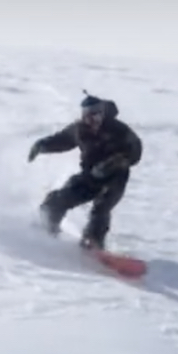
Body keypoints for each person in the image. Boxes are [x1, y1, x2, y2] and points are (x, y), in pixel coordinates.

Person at [27, 95, 143, 251]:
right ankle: (47, 227)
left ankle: (93, 241)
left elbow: (135, 151)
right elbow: (62, 140)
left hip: (115, 178)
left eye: (96, 114)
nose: (92, 119)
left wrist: (117, 162)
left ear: (103, 114)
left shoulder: (119, 130)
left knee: (101, 208)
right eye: (88, 114)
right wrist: (42, 145)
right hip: (90, 176)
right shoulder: (79, 130)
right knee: (58, 199)